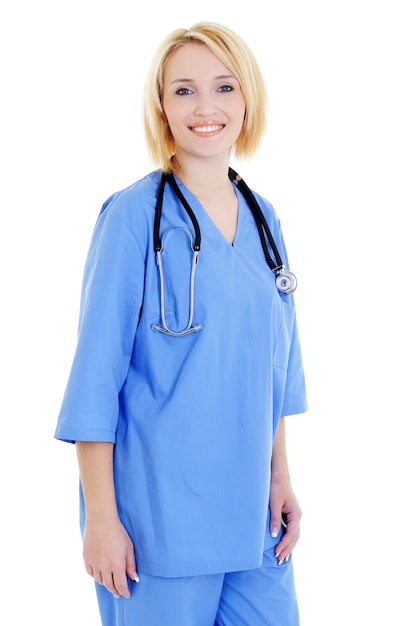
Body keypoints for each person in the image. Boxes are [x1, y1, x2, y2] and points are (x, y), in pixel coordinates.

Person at [54, 21, 308, 626]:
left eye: (224, 87)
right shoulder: (132, 217)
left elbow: (271, 369)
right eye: (184, 91)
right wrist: (102, 520)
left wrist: (281, 477)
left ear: (247, 100)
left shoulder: (264, 220)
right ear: (162, 107)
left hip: (253, 522)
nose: (206, 108)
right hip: (156, 525)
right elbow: (96, 382)